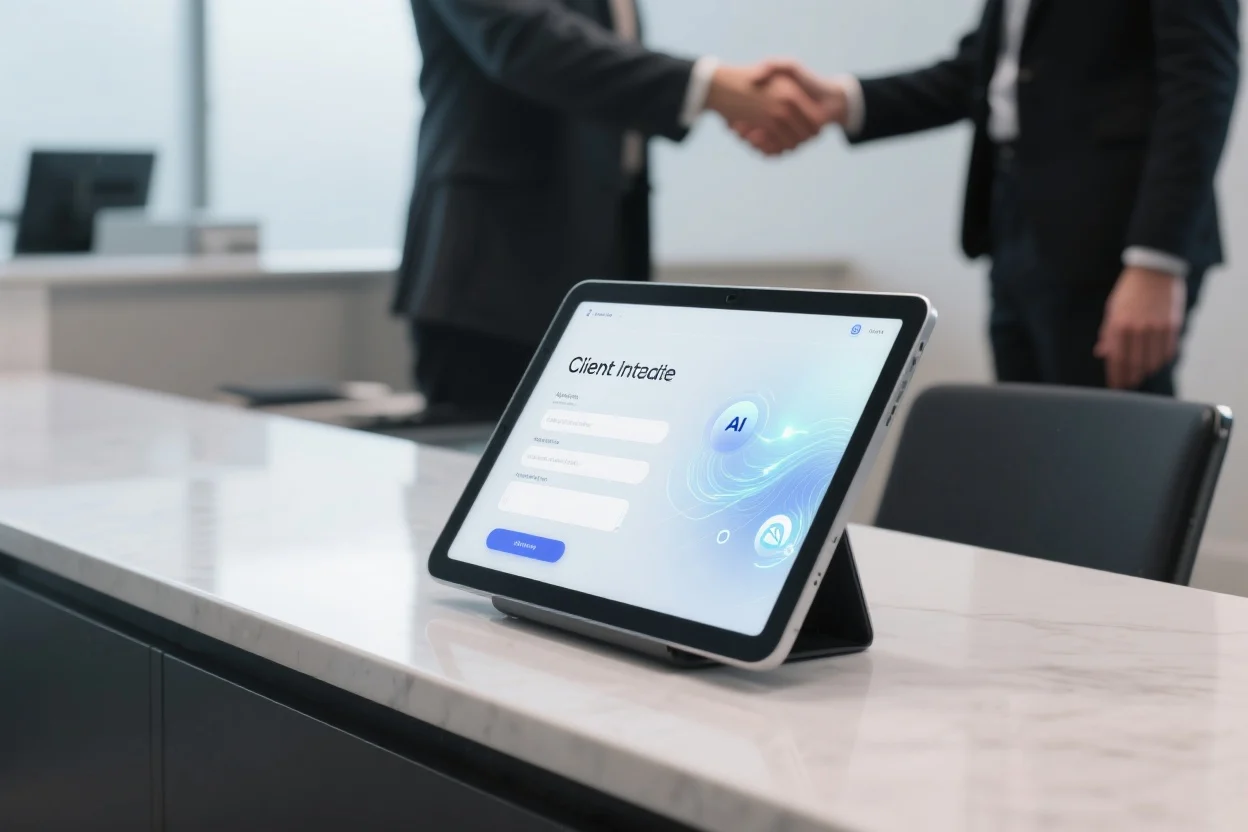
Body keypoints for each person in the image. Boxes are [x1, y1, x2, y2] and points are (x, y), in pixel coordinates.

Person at [744, 0, 1240, 395]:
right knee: (1030, 447)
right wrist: (842, 101)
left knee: (1112, 457)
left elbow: (1201, 83)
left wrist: (1157, 260)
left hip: (1117, 236)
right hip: (1012, 219)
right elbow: (979, 74)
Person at [396, 0, 830, 420]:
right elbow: (525, 40)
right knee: (474, 471)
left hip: (606, 259)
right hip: (494, 271)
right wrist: (709, 87)